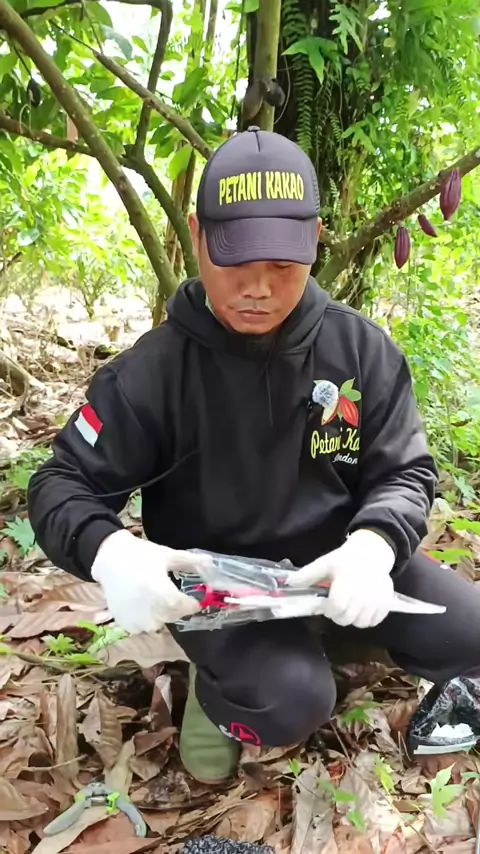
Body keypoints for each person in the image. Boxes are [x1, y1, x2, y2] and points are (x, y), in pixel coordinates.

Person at [28, 128, 480, 784]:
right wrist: (111, 553)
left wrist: (374, 547)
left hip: (340, 565)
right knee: (291, 702)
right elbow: (61, 483)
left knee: (473, 636)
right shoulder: (152, 375)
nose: (259, 289)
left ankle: (341, 637)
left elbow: (405, 471)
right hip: (222, 593)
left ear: (315, 240)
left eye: (282, 266)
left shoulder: (360, 352)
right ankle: (221, 694)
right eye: (236, 263)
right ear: (197, 236)